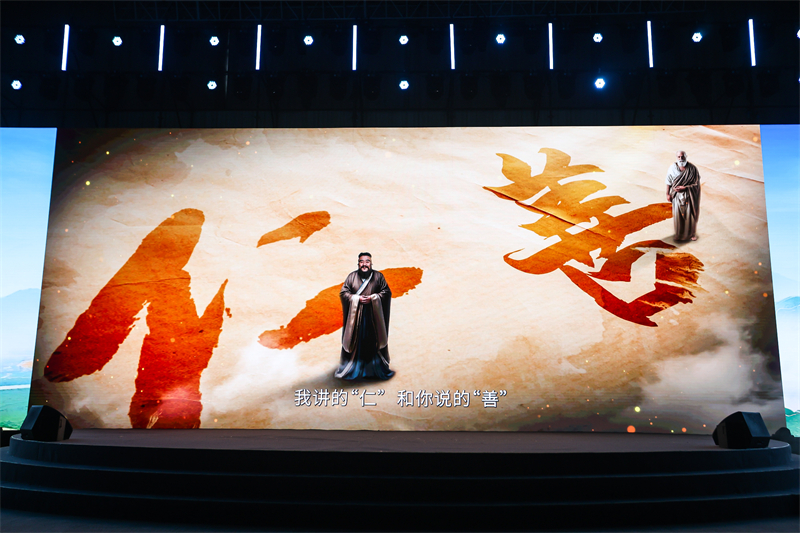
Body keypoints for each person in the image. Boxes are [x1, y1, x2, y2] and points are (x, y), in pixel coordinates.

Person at [335, 252, 395, 380]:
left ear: (371, 263)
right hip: (356, 318)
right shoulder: (352, 276)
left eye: (367, 261)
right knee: (356, 342)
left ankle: (375, 369)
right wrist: (356, 298)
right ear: (358, 263)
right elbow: (344, 293)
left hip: (374, 317)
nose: (364, 264)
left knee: (373, 341)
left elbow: (386, 292)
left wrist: (374, 298)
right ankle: (353, 369)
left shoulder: (378, 276)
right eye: (362, 261)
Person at [665, 150, 701, 241]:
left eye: (682, 156)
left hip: (689, 195)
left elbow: (696, 184)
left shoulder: (692, 168)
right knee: (678, 215)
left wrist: (685, 188)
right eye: (679, 157)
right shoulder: (672, 168)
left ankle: (691, 234)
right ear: (676, 157)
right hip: (676, 195)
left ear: (686, 156)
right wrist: (667, 193)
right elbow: (668, 181)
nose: (681, 158)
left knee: (690, 214)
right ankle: (679, 234)